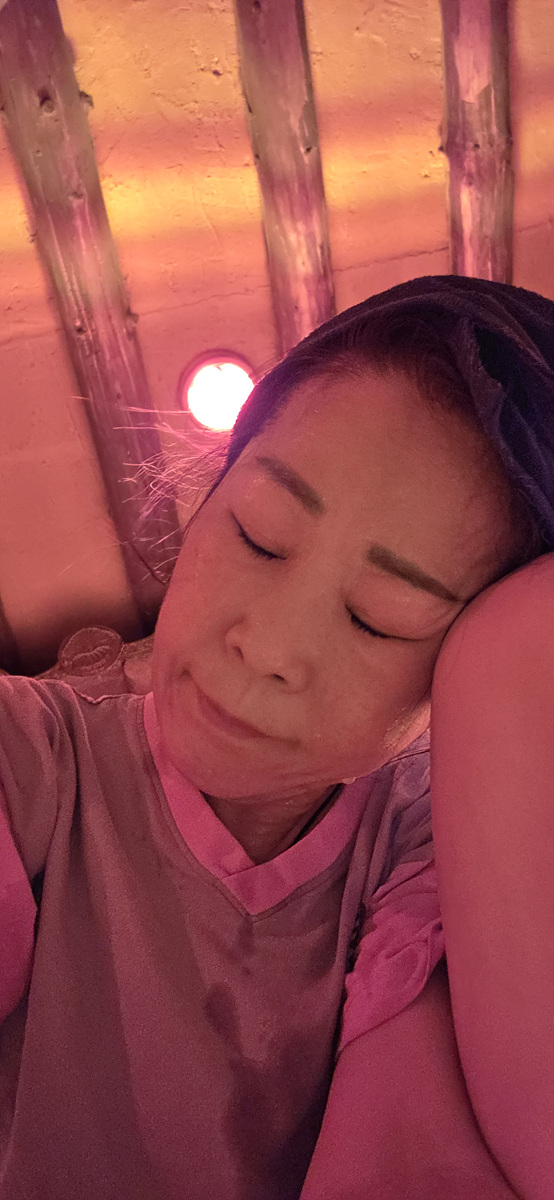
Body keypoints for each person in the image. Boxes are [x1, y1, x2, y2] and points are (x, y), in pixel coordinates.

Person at [0, 275, 553, 1199]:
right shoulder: (37, 758)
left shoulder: (435, 856)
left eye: (379, 617)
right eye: (258, 535)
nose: (267, 648)